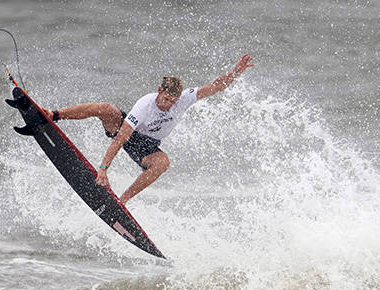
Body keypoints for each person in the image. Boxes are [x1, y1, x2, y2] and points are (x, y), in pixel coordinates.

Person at [45, 54, 254, 204]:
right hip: (127, 131)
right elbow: (119, 140)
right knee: (105, 108)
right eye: (165, 99)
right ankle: (54, 115)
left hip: (147, 147)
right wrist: (102, 169)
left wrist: (234, 73)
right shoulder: (145, 105)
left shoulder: (184, 99)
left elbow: (215, 86)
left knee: (163, 163)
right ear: (159, 91)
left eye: (173, 101)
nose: (168, 104)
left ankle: (122, 201)